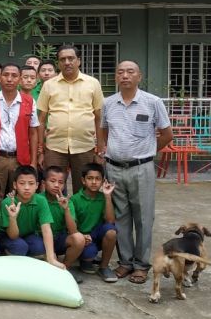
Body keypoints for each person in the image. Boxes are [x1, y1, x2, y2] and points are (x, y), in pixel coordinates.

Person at [98, 60, 172, 284]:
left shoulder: (152, 102)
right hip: (114, 168)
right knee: (120, 217)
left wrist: (148, 152)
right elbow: (102, 129)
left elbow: (167, 135)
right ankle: (125, 262)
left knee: (143, 218)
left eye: (130, 72)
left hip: (142, 169)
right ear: (116, 78)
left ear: (139, 76)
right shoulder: (108, 103)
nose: (125, 76)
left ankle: (141, 264)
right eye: (120, 72)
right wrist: (104, 149)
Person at [37, 45, 105, 194]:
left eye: (71, 58)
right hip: (54, 147)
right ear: (59, 64)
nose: (67, 62)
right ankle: (55, 217)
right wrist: (41, 150)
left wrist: (100, 150)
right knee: (53, 190)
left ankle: (79, 217)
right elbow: (41, 120)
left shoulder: (93, 83)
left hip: (84, 146)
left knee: (84, 190)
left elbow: (99, 118)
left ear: (78, 61)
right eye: (63, 59)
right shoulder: (49, 85)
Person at [0, 63, 39, 198]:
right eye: (6, 75)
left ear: (19, 79)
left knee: (19, 197)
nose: (9, 79)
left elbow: (33, 133)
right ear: (0, 77)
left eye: (14, 76)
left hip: (20, 158)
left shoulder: (29, 102)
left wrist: (33, 162)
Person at [1, 166, 66, 269]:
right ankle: (7, 257)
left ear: (37, 185)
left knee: (40, 247)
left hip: (29, 235)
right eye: (22, 183)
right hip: (9, 237)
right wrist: (12, 218)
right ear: (15, 185)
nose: (27, 187)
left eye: (31, 184)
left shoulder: (41, 200)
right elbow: (13, 236)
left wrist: (51, 258)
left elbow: (46, 228)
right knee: (20, 247)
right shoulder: (8, 202)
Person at [71, 163, 118, 282]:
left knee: (111, 231)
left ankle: (104, 266)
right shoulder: (75, 199)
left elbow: (110, 220)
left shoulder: (103, 197)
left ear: (102, 181)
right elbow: (71, 225)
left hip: (96, 234)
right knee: (88, 255)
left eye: (98, 179)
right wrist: (81, 236)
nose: (94, 182)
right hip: (82, 237)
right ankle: (86, 259)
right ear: (83, 180)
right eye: (90, 178)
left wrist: (107, 196)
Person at [38, 165, 85, 281]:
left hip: (59, 238)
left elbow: (73, 231)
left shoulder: (67, 201)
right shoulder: (38, 199)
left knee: (79, 238)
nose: (56, 185)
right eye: (52, 181)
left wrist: (66, 209)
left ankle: (65, 268)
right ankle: (55, 269)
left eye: (60, 182)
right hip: (41, 239)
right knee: (51, 258)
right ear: (44, 183)